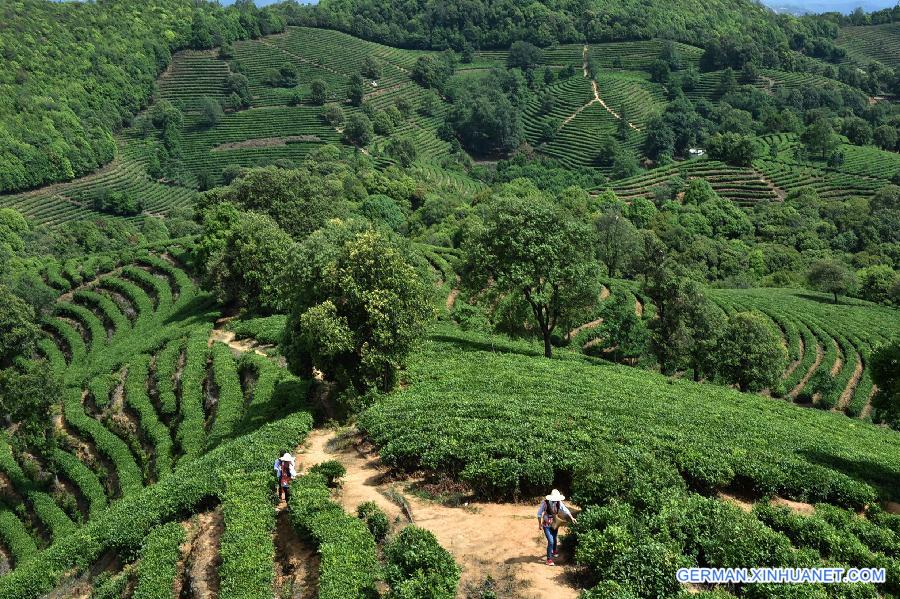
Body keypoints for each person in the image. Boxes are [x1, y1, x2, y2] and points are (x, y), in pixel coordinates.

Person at [537, 489, 576, 566]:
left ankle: (554, 551)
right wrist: (539, 524)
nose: (555, 501)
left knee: (554, 538)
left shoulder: (559, 503)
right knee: (551, 541)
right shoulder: (545, 503)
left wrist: (572, 518)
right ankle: (548, 559)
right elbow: (539, 514)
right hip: (546, 525)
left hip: (555, 523)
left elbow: (566, 510)